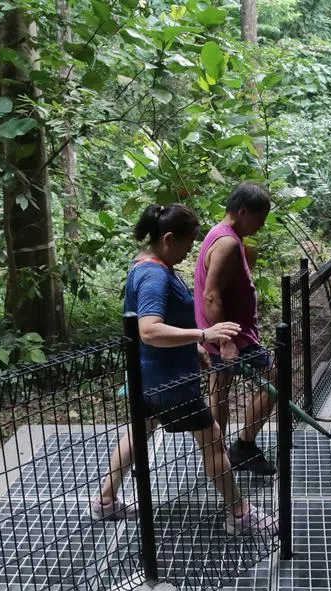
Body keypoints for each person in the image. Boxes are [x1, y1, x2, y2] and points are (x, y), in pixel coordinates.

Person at [91, 202, 277, 536]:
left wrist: (191, 347)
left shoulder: (144, 265)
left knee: (138, 430)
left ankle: (105, 500)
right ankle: (240, 513)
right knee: (213, 441)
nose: (190, 251)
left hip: (146, 376)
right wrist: (203, 334)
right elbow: (148, 328)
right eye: (187, 244)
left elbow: (156, 326)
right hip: (168, 383)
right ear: (168, 238)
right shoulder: (154, 276)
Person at [193, 183, 276, 476]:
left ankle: (216, 457)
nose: (262, 225)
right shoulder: (227, 243)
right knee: (273, 380)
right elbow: (211, 294)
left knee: (220, 389)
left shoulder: (221, 235)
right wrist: (227, 342)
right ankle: (243, 446)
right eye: (259, 218)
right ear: (243, 212)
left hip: (219, 331)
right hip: (232, 335)